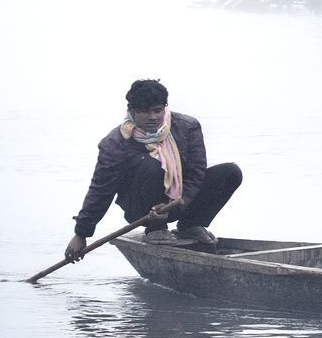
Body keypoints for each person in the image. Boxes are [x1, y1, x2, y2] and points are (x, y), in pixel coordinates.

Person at [64, 79, 242, 261]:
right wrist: (81, 233)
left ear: (165, 107)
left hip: (179, 202)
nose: (153, 117)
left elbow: (196, 172)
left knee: (230, 173)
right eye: (144, 112)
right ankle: (155, 230)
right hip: (143, 210)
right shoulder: (115, 143)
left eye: (157, 111)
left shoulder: (187, 127)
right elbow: (101, 190)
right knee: (152, 164)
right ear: (131, 111)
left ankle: (191, 224)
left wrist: (180, 203)